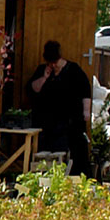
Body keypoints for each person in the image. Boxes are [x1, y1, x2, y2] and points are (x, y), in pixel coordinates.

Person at [27, 40, 93, 178]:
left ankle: (76, 176)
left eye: (55, 63)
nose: (53, 66)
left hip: (70, 118)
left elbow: (85, 90)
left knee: (75, 144)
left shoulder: (74, 70)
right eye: (50, 63)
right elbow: (33, 89)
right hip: (47, 119)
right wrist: (45, 77)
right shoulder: (42, 70)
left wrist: (86, 111)